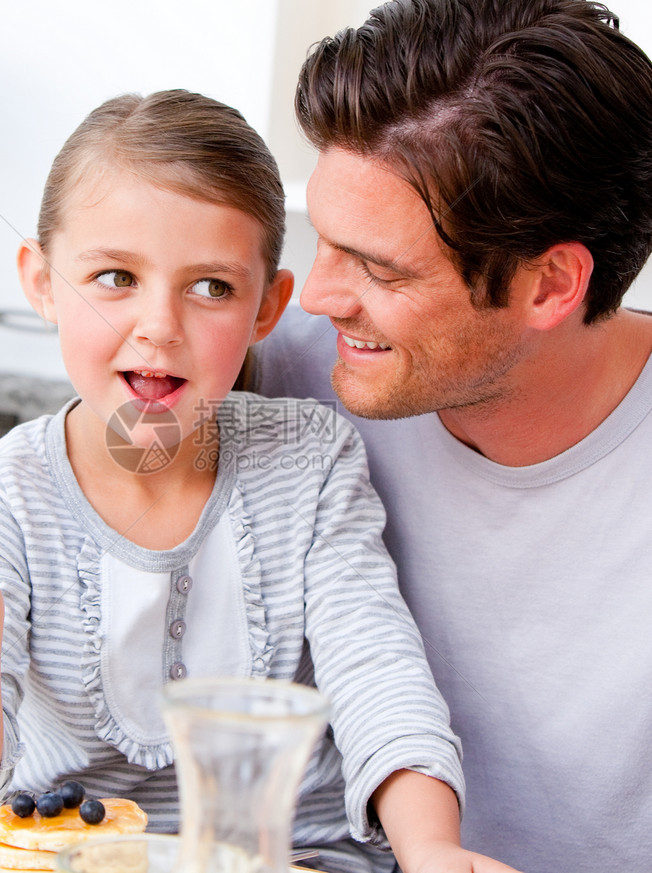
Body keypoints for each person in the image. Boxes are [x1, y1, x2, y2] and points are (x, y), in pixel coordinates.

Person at [0, 90, 522, 873]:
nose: (159, 324)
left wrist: (432, 850)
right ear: (43, 281)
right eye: (114, 276)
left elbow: (378, 673)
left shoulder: (310, 459)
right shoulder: (4, 497)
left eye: (211, 287)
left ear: (267, 307)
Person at [249, 2, 652, 872]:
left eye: (379, 268)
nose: (316, 296)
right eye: (323, 237)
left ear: (550, 283)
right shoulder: (290, 372)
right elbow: (101, 462)